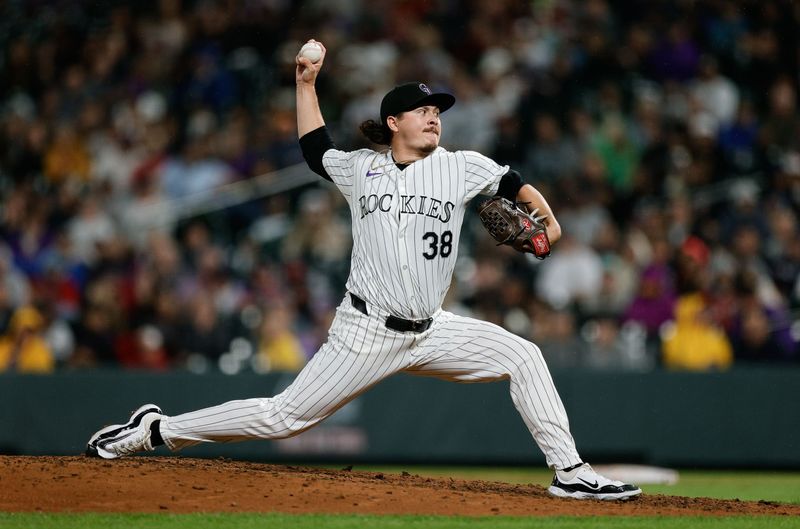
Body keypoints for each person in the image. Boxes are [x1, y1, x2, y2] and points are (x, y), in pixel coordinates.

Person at [86, 39, 641, 501]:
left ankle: (570, 473)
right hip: (365, 332)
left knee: (523, 354)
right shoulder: (361, 171)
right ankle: (156, 430)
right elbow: (312, 148)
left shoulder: (462, 167)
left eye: (438, 111)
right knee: (284, 418)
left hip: (433, 330)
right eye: (423, 111)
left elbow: (516, 184)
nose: (434, 118)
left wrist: (551, 225)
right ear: (393, 121)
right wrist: (305, 84)